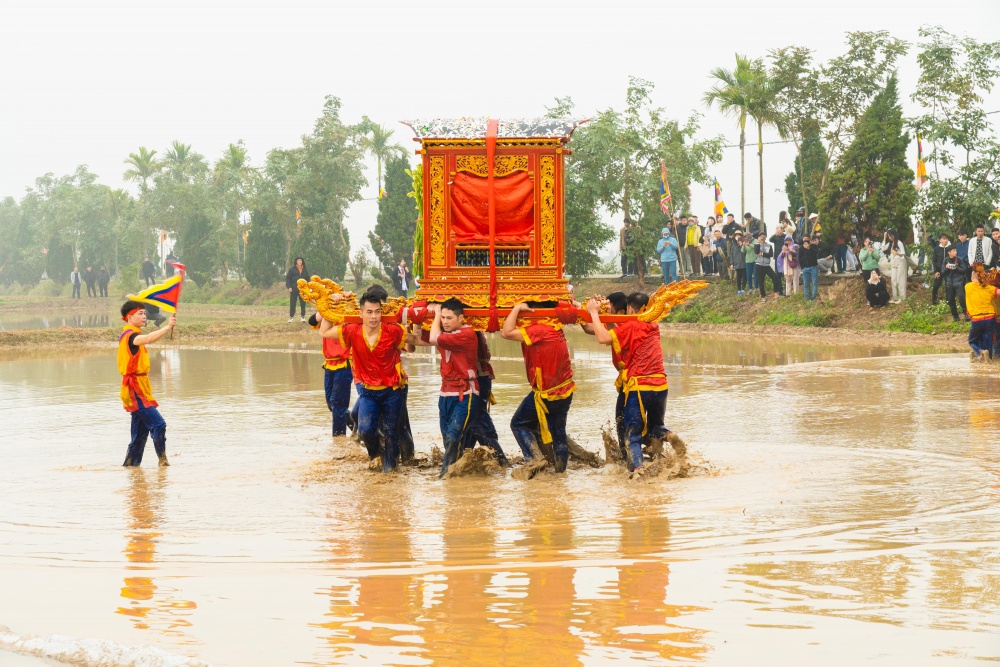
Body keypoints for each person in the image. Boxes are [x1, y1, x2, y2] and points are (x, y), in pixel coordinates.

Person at [585, 292, 678, 474]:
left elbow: (603, 337)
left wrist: (594, 313)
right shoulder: (653, 326)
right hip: (660, 385)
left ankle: (637, 470)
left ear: (628, 309)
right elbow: (614, 334)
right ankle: (669, 435)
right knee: (655, 427)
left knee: (632, 434)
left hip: (638, 386)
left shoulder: (630, 326)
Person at [319, 289, 410, 471]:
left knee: (393, 430)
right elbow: (324, 330)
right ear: (360, 313)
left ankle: (391, 471)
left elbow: (413, 345)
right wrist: (331, 306)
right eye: (369, 312)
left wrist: (410, 324)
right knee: (365, 430)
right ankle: (377, 454)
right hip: (368, 391)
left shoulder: (392, 330)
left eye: (377, 312)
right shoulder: (352, 330)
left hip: (393, 389)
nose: (374, 317)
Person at [500, 301, 575, 477]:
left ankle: (535, 459)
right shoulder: (556, 327)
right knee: (558, 434)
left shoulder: (539, 330)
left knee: (518, 424)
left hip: (546, 393)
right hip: (565, 390)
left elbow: (506, 332)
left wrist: (516, 308)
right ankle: (560, 474)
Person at [413, 299, 481, 477]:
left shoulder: (467, 334)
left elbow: (435, 338)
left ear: (461, 318)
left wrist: (435, 314)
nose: (445, 321)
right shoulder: (445, 334)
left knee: (453, 436)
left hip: (465, 392)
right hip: (445, 392)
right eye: (443, 317)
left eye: (449, 318)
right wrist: (415, 321)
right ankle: (458, 472)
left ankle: (445, 475)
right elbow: (418, 340)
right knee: (448, 439)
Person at [118, 300, 176, 467]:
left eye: (145, 313)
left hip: (140, 386)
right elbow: (149, 338)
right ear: (129, 317)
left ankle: (130, 468)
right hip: (135, 388)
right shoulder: (131, 336)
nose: (144, 316)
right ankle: (163, 462)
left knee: (140, 435)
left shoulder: (133, 335)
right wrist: (167, 327)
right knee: (159, 424)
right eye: (140, 314)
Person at [463, 329, 509, 466]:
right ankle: (463, 459)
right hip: (480, 376)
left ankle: (501, 462)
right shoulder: (472, 328)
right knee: (472, 422)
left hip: (476, 378)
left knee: (477, 421)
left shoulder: (467, 330)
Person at [308, 311, 354, 437]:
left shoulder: (347, 314)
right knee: (331, 403)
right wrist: (325, 309)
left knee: (337, 403)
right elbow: (312, 321)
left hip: (344, 362)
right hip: (329, 363)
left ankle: (339, 440)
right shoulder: (326, 315)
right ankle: (358, 428)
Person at [965, 265, 999, 362]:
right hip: (990, 318)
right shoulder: (990, 288)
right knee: (987, 338)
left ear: (973, 276)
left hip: (977, 319)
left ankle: (980, 352)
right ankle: (989, 359)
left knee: (972, 340)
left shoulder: (968, 287)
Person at [942, 247, 969, 322]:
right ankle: (955, 316)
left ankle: (966, 314)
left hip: (959, 282)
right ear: (949, 252)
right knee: (950, 300)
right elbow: (942, 272)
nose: (955, 252)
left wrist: (956, 268)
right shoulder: (945, 260)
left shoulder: (959, 259)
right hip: (949, 283)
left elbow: (964, 270)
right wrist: (946, 268)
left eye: (956, 250)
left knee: (962, 298)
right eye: (953, 251)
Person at [754, 232, 780, 301]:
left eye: (764, 236)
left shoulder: (769, 245)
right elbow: (756, 252)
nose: (762, 237)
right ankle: (763, 296)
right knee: (760, 281)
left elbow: (771, 254)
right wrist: (758, 242)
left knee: (774, 277)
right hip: (759, 265)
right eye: (761, 236)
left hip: (766, 265)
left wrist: (762, 254)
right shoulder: (757, 245)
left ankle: (776, 292)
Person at [884, 231, 907, 303]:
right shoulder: (890, 243)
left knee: (900, 279)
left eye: (890, 236)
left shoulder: (899, 242)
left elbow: (903, 253)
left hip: (900, 261)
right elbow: (883, 248)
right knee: (893, 279)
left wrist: (897, 253)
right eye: (888, 236)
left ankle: (902, 297)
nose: (890, 238)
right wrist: (884, 238)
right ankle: (895, 297)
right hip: (893, 262)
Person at [930, 234, 953, 305]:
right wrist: (935, 271)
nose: (945, 240)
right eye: (944, 239)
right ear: (940, 240)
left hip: (948, 270)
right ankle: (934, 302)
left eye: (946, 239)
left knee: (948, 286)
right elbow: (934, 261)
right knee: (936, 286)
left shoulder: (949, 248)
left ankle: (948, 301)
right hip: (939, 271)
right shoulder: (936, 249)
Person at [286, 257, 308, 323]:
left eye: (300, 260)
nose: (299, 261)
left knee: (303, 303)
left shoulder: (304, 269)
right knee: (293, 303)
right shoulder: (292, 269)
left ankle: (303, 317)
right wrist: (289, 287)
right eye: (298, 260)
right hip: (293, 288)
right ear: (296, 261)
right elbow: (288, 278)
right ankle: (291, 317)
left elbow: (307, 278)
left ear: (302, 261)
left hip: (302, 289)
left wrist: (308, 286)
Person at [799, 236, 819, 301]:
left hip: (813, 267)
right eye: (804, 238)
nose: (805, 240)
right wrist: (802, 267)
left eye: (806, 238)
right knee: (806, 283)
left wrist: (808, 248)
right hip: (805, 268)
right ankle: (806, 298)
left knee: (814, 282)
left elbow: (815, 254)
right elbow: (800, 258)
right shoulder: (801, 248)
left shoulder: (813, 247)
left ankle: (813, 297)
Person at [769, 225, 787, 295]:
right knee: (778, 274)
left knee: (786, 274)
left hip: (785, 257)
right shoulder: (775, 237)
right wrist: (775, 233)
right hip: (777, 257)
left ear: (782, 229)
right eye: (776, 229)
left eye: (778, 229)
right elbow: (770, 239)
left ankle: (786, 290)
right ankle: (780, 291)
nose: (778, 230)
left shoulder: (785, 236)